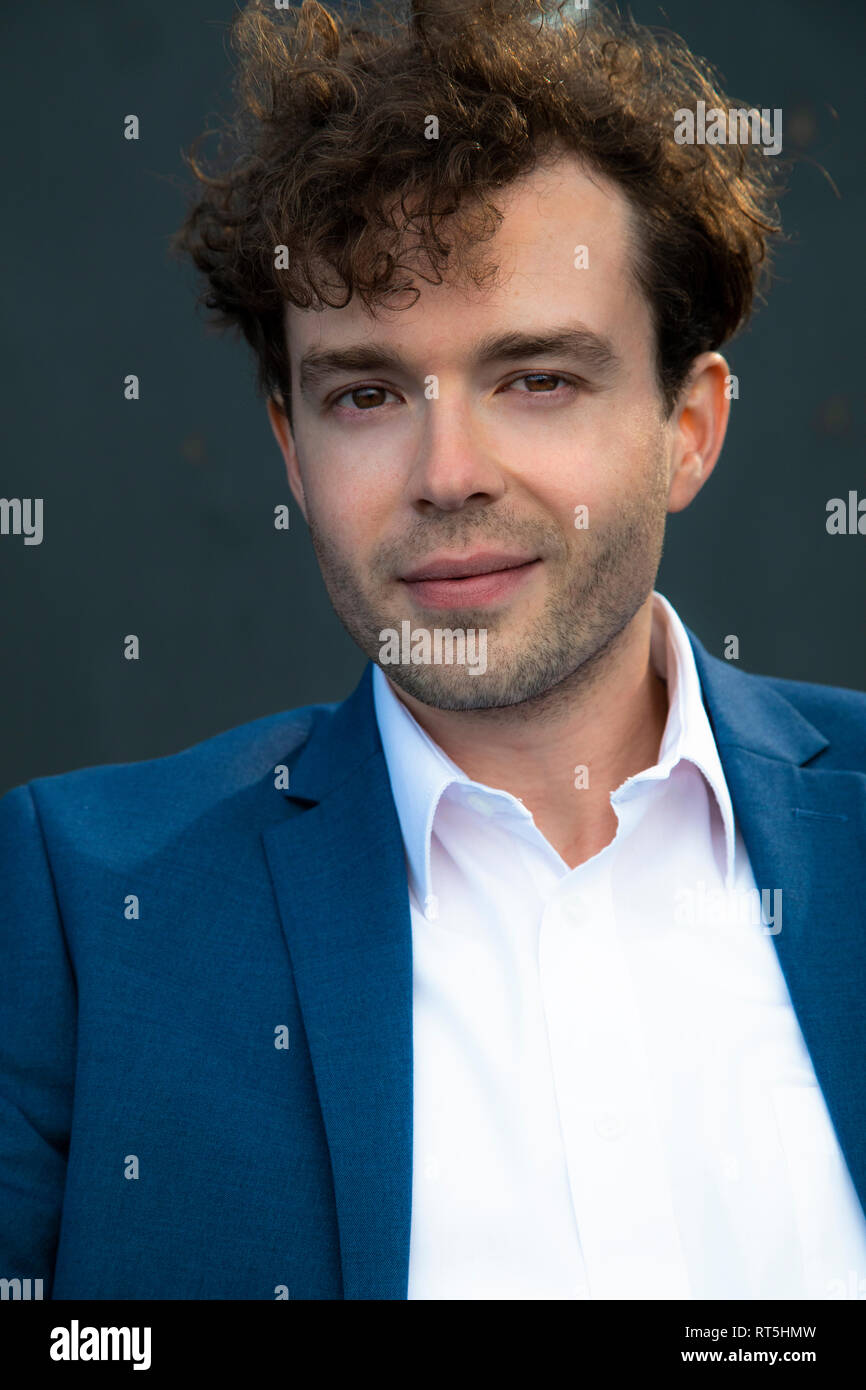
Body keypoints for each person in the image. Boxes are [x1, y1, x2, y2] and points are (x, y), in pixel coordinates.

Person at [2, 0, 864, 1301]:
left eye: (535, 378)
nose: (445, 473)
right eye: (364, 393)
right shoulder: (74, 907)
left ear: (686, 425)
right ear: (293, 449)